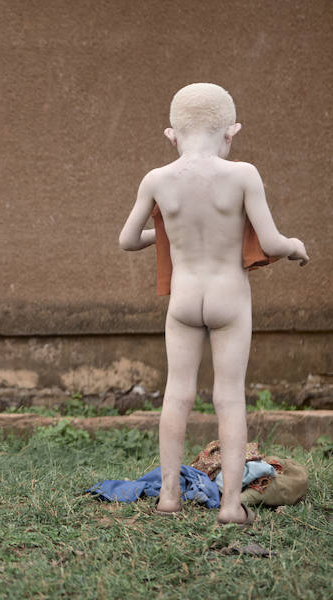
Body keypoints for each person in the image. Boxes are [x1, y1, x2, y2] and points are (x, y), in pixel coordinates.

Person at [118, 83, 309, 525]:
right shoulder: (243, 174)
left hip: (183, 300)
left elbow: (128, 241)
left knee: (177, 394)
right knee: (229, 399)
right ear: (231, 132)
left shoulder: (157, 179)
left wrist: (165, 235)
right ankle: (229, 506)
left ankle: (168, 496)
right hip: (229, 300)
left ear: (171, 135)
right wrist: (296, 245)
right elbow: (272, 242)